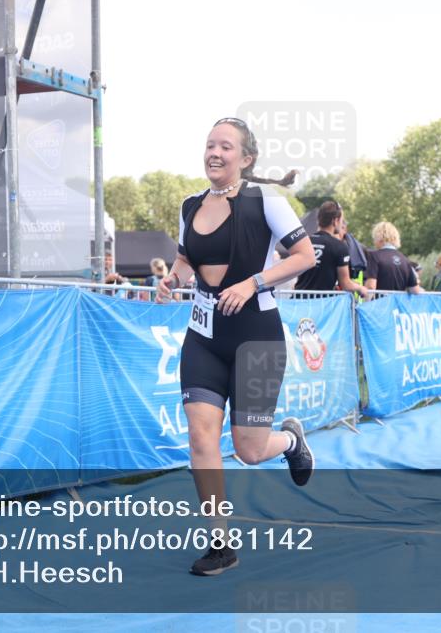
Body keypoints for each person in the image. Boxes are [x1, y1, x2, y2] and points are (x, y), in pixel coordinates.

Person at [155, 117, 316, 577]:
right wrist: (172, 279)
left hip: (256, 337)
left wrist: (253, 282)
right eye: (210, 144)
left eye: (226, 146)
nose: (215, 152)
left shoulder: (266, 200)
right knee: (201, 436)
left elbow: (304, 257)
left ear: (246, 159)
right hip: (204, 337)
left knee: (248, 449)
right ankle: (220, 543)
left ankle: (289, 440)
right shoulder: (190, 205)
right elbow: (186, 259)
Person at [295, 201, 368, 297]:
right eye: (342, 220)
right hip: (322, 304)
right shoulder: (339, 246)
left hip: (299, 301)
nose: (342, 224)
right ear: (335, 221)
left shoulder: (305, 242)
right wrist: (360, 288)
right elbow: (345, 284)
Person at [363, 222, 422, 294]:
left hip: (380, 303)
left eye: (374, 238)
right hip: (397, 304)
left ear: (379, 238)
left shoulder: (374, 256)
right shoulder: (405, 260)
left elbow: (371, 286)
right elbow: (415, 290)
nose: (374, 242)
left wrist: (366, 304)